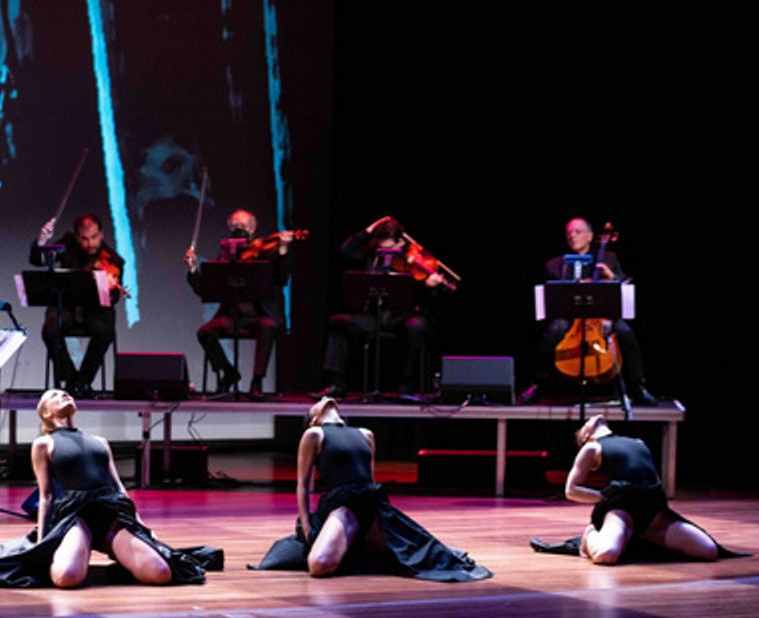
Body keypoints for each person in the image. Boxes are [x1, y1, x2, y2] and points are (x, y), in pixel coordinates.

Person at [0, 389, 223, 588]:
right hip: (76, 513)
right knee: (66, 578)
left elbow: (118, 487)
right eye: (54, 396)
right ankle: (80, 550)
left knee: (160, 573)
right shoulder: (44, 443)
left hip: (111, 509)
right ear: (47, 414)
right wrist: (42, 546)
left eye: (65, 393)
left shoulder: (99, 441)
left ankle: (118, 558)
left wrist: (140, 527)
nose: (63, 394)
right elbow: (47, 495)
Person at [252, 397, 492, 581]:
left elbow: (371, 478)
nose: (326, 400)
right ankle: (355, 546)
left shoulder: (365, 434)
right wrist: (306, 526)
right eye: (317, 404)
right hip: (344, 505)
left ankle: (365, 545)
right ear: (314, 419)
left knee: (423, 553)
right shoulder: (314, 434)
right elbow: (302, 484)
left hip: (371, 501)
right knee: (319, 565)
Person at [530, 414, 724, 564]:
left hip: (652, 511)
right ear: (586, 435)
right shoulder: (591, 447)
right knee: (606, 556)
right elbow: (571, 491)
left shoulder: (638, 442)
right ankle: (589, 537)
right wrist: (604, 498)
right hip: (621, 510)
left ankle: (639, 537)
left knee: (708, 550)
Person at [521, 217, 655, 405]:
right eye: (568, 233)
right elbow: (550, 297)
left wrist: (612, 277)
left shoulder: (608, 258)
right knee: (554, 330)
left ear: (590, 236)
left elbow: (624, 286)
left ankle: (638, 387)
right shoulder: (553, 265)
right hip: (570, 318)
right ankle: (537, 384)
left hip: (602, 317)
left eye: (577, 232)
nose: (572, 236)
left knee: (624, 331)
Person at [316, 216, 440, 398]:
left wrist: (429, 287)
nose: (385, 252)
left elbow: (424, 296)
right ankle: (336, 384)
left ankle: (405, 386)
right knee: (338, 322)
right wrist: (368, 230)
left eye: (389, 248)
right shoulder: (370, 255)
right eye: (381, 246)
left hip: (400, 317)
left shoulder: (412, 261)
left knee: (417, 326)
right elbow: (345, 250)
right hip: (373, 317)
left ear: (400, 242)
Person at [185, 209, 292, 398]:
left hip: (260, 315)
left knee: (268, 327)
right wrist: (193, 269)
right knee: (205, 332)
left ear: (252, 229)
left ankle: (257, 381)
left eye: (243, 226)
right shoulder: (226, 255)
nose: (239, 230)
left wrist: (283, 250)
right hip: (233, 315)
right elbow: (205, 289)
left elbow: (281, 278)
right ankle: (228, 373)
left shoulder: (264, 252)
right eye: (235, 226)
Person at [29, 213, 123, 397]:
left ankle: (84, 381)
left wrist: (109, 289)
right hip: (69, 307)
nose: (90, 244)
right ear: (76, 236)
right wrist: (41, 242)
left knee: (105, 331)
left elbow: (114, 299)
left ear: (101, 234)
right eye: (84, 239)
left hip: (95, 311)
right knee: (50, 328)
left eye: (94, 237)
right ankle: (71, 379)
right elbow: (37, 260)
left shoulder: (113, 259)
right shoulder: (67, 244)